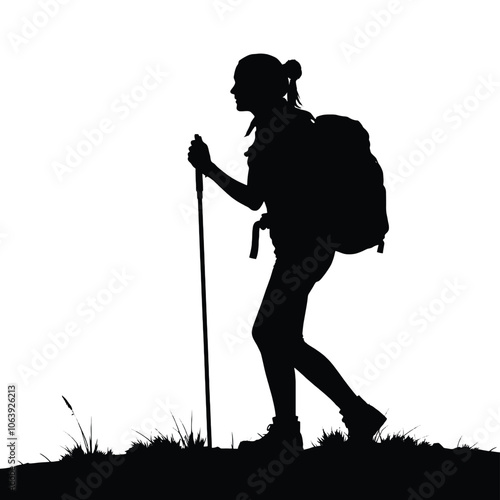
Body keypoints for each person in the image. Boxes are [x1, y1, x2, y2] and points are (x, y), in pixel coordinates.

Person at [187, 53, 386, 453]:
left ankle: (301, 428)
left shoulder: (276, 131)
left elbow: (252, 198)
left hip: (303, 249)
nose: (233, 91)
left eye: (240, 83)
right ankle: (334, 418)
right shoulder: (290, 125)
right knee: (281, 336)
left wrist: (208, 168)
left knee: (270, 333)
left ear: (259, 88)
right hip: (310, 246)